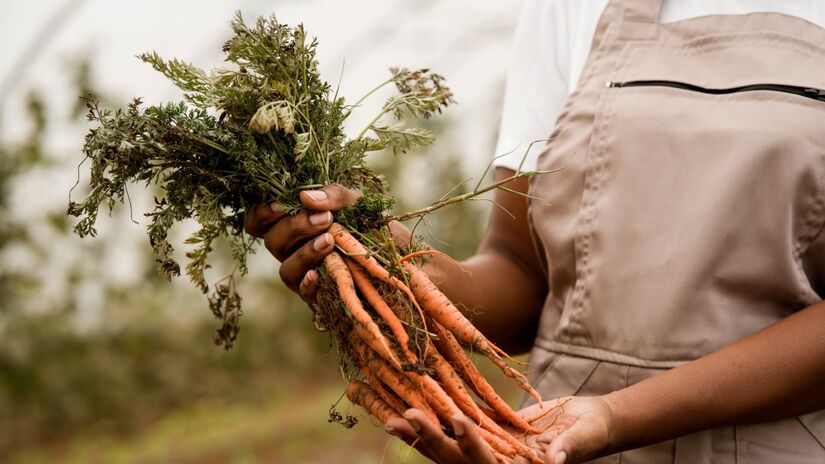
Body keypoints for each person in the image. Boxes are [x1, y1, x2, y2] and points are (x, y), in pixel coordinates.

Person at [244, 0, 825, 462]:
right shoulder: (568, 7)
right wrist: (389, 259)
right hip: (548, 441)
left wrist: (615, 416)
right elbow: (521, 272)